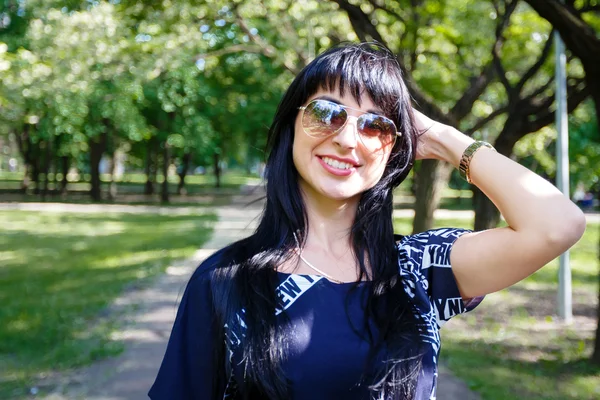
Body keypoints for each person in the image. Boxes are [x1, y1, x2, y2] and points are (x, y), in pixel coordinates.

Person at [148, 43, 585, 400]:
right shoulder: (226, 280)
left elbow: (557, 225)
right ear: (291, 127)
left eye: (376, 126)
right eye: (325, 113)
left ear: (395, 149)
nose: (346, 138)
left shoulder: (418, 271)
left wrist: (446, 139)